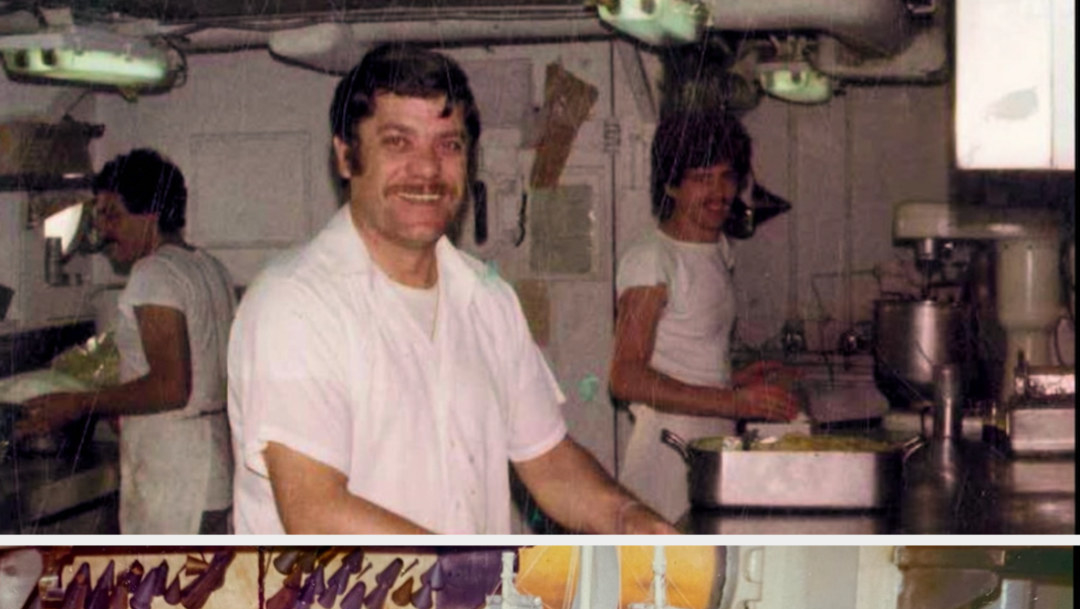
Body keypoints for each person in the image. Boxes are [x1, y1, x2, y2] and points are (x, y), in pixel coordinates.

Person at [227, 42, 674, 536]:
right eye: (398, 143)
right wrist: (475, 574)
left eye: (449, 144)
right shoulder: (295, 305)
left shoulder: (487, 298)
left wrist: (626, 516)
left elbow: (546, 460)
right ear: (346, 157)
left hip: (466, 604)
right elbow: (315, 512)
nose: (427, 169)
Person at [17, 148, 236, 534]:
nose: (103, 230)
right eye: (100, 215)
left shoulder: (153, 273)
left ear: (150, 214)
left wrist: (81, 403)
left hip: (176, 478)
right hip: (212, 469)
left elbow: (171, 387)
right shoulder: (208, 267)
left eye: (113, 214)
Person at [609, 109, 801, 524]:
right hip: (665, 457)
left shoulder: (718, 250)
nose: (719, 192)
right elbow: (626, 376)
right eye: (701, 178)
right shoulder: (651, 261)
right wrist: (732, 400)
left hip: (709, 447)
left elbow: (683, 357)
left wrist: (733, 382)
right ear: (671, 185)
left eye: (727, 177)